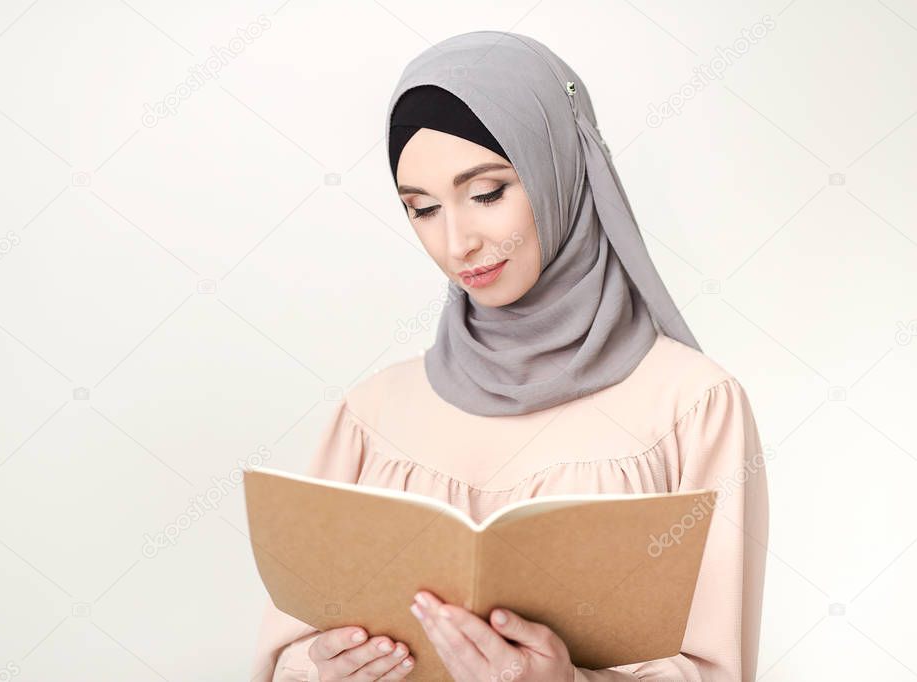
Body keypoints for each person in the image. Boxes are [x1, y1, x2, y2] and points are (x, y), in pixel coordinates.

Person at [250, 30, 768, 681]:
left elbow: (718, 670)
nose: (457, 241)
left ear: (560, 170)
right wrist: (317, 670)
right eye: (422, 208)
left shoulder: (692, 404)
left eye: (488, 192)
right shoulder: (371, 414)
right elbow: (285, 654)